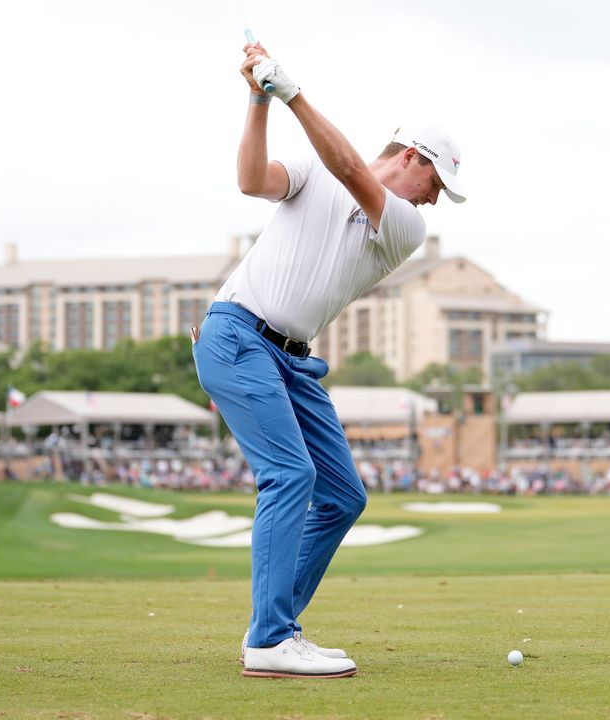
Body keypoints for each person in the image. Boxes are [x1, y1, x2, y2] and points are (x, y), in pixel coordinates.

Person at [192, 40, 465, 679]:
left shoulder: (405, 227)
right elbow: (251, 180)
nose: (433, 199)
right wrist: (258, 100)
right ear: (411, 158)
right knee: (291, 477)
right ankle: (269, 640)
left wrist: (291, 92)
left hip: (291, 359)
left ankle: (278, 628)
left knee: (342, 496)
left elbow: (348, 169)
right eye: (437, 182)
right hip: (237, 335)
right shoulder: (316, 172)